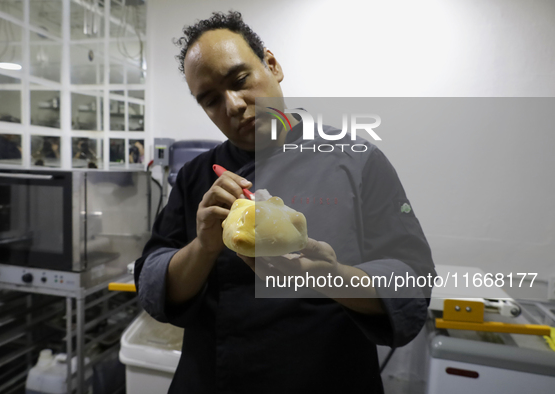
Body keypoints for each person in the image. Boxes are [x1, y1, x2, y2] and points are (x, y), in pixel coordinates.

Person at [135, 11, 435, 393]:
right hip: (215, 376)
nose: (233, 105)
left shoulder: (355, 160)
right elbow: (154, 283)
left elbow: (410, 280)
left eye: (240, 80)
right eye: (210, 100)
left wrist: (331, 276)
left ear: (272, 65)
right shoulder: (197, 175)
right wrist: (204, 246)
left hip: (326, 375)